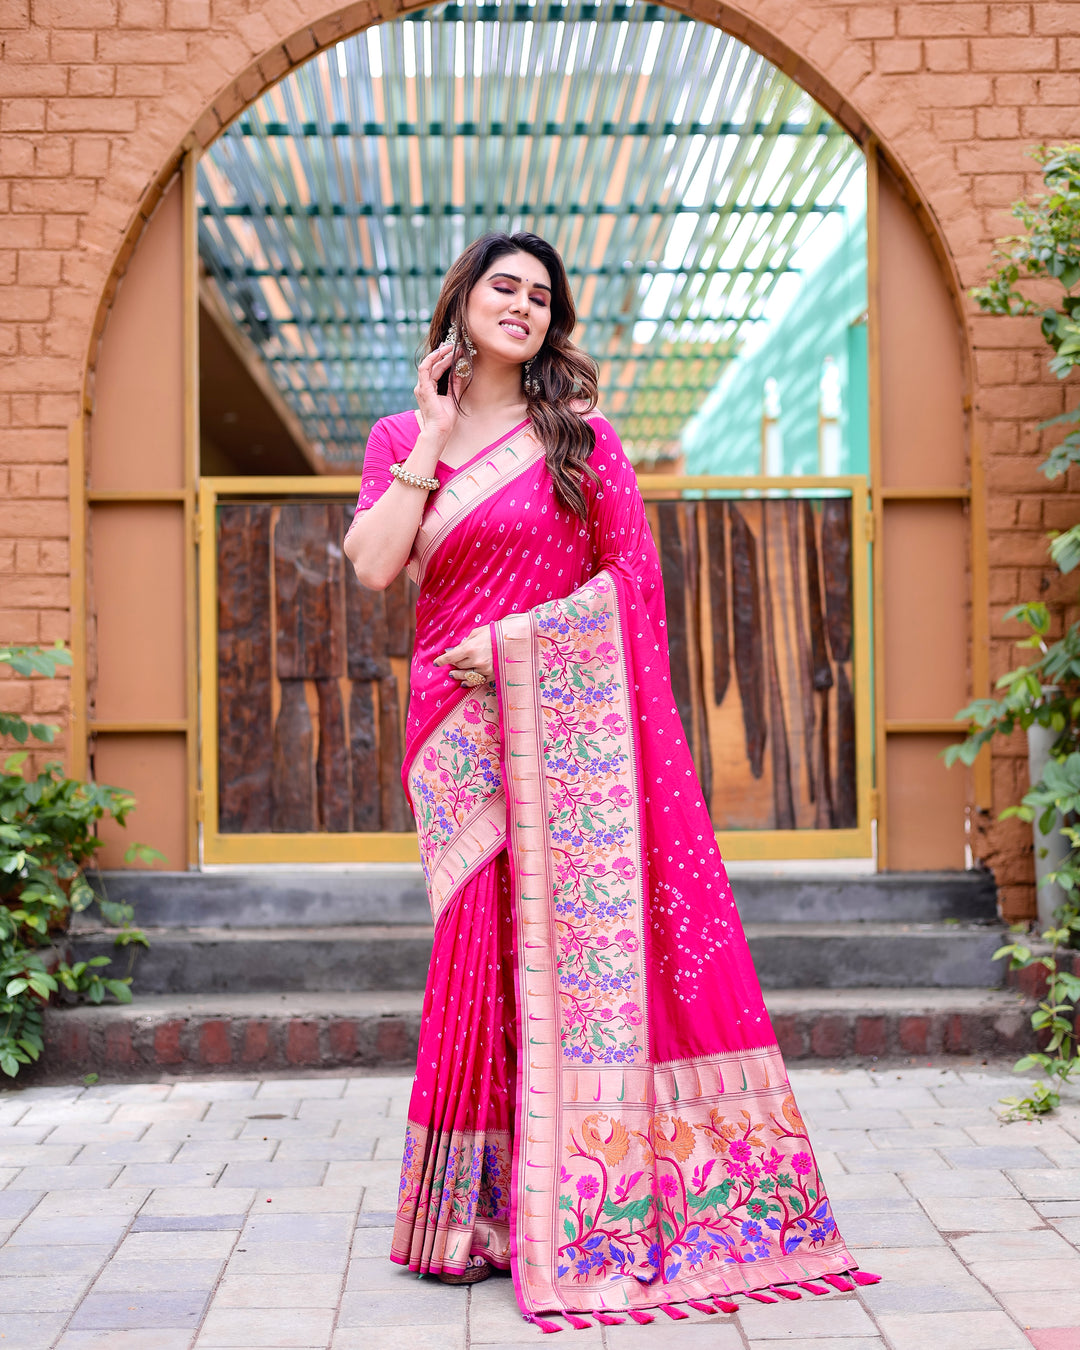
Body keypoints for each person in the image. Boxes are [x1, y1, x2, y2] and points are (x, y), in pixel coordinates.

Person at [343, 232, 877, 1329]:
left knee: (539, 954)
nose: (524, 306)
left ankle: (562, 1204)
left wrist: (513, 648)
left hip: (559, 728)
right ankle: (466, 1217)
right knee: (474, 951)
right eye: (505, 286)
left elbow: (634, 593)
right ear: (464, 299)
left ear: (554, 323)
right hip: (455, 734)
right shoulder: (405, 434)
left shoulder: (583, 444)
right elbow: (372, 564)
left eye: (543, 296)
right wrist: (432, 437)